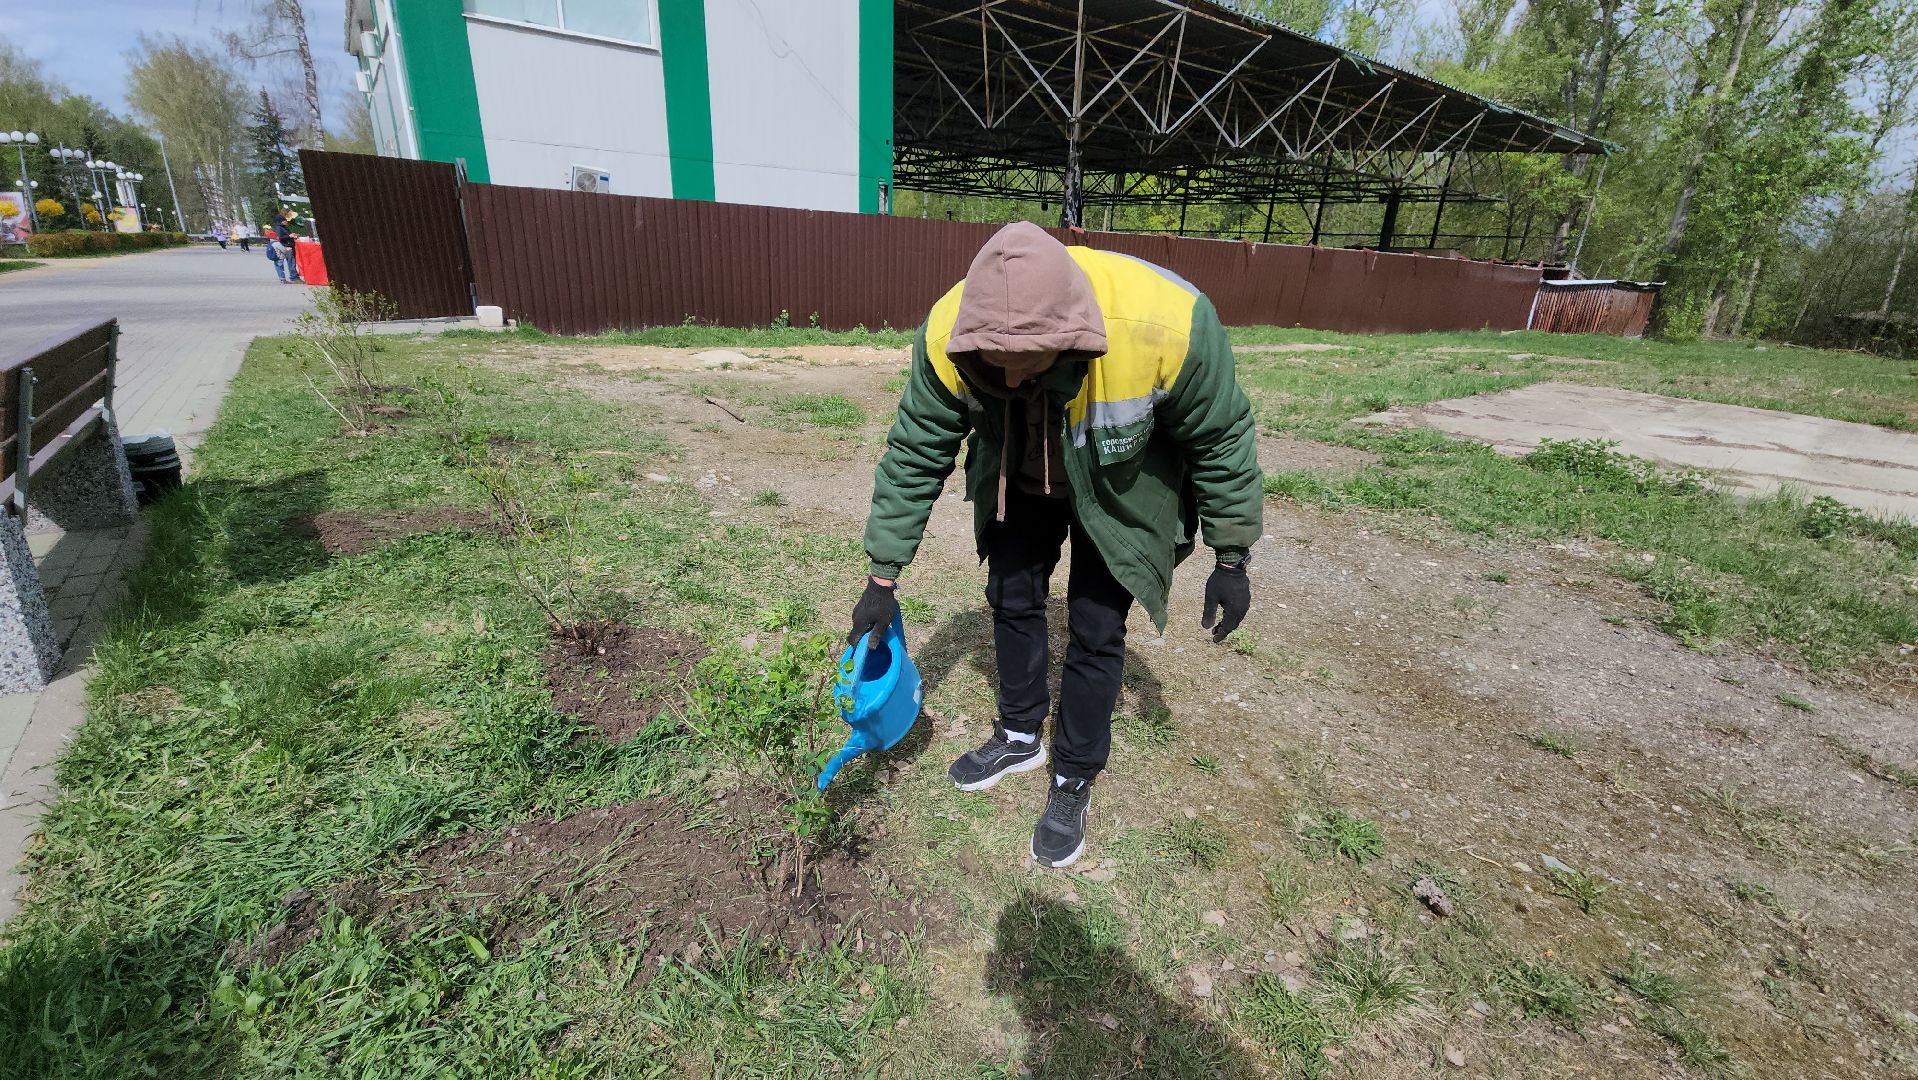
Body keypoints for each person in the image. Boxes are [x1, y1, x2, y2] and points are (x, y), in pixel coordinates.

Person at [850, 222, 1262, 869]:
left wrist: (1232, 555)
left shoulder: (1169, 323)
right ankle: (1020, 733)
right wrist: (882, 577)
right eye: (996, 367)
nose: (1010, 382)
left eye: (1029, 365)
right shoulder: (948, 332)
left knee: (1097, 627)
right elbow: (914, 452)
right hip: (1021, 472)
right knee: (1011, 595)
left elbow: (1221, 440)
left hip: (1122, 486)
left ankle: (1073, 774)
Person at [273, 209, 302, 282]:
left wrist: (292, 235)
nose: (287, 221)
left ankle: (294, 276)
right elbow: (280, 238)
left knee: (292, 262)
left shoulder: (283, 227)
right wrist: (290, 236)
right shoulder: (279, 228)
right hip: (286, 246)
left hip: (289, 245)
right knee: (291, 262)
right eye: (285, 220)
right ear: (281, 221)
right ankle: (294, 277)